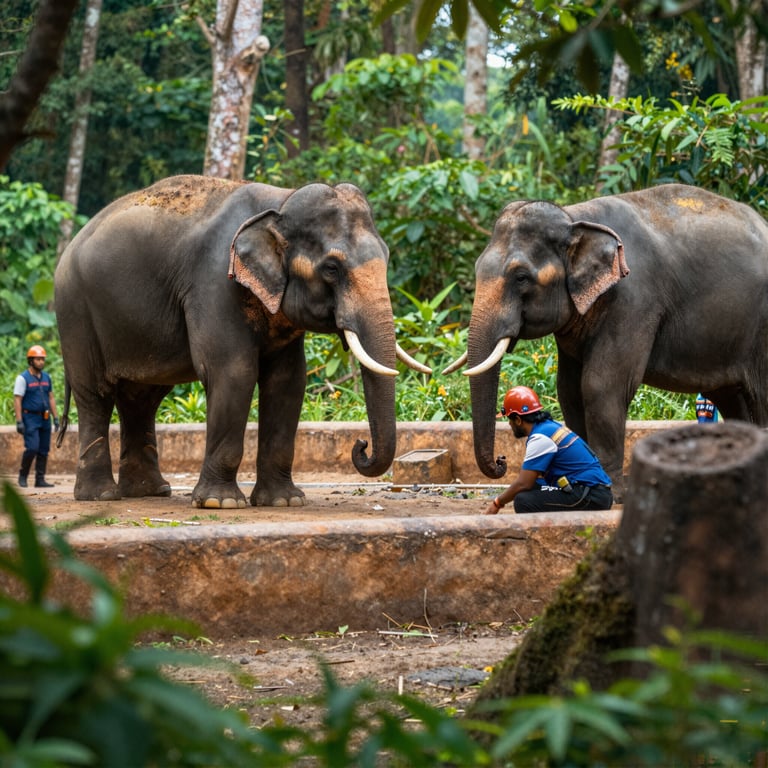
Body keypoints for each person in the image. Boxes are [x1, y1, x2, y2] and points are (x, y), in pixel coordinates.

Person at [484, 386, 613, 514]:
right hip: (591, 492)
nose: (509, 424)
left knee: (523, 501)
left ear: (518, 420)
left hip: (590, 496)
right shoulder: (548, 427)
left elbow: (524, 483)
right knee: (530, 489)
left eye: (509, 419)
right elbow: (532, 479)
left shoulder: (541, 438)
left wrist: (497, 503)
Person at [14, 345, 59, 488]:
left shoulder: (47, 377)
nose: (41, 362)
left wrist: (56, 417)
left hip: (45, 418)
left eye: (42, 359)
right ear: (31, 360)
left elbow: (51, 398)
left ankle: (40, 480)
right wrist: (19, 421)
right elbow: (17, 400)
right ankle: (23, 475)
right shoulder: (22, 378)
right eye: (38, 359)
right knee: (32, 448)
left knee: (44, 449)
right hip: (30, 418)